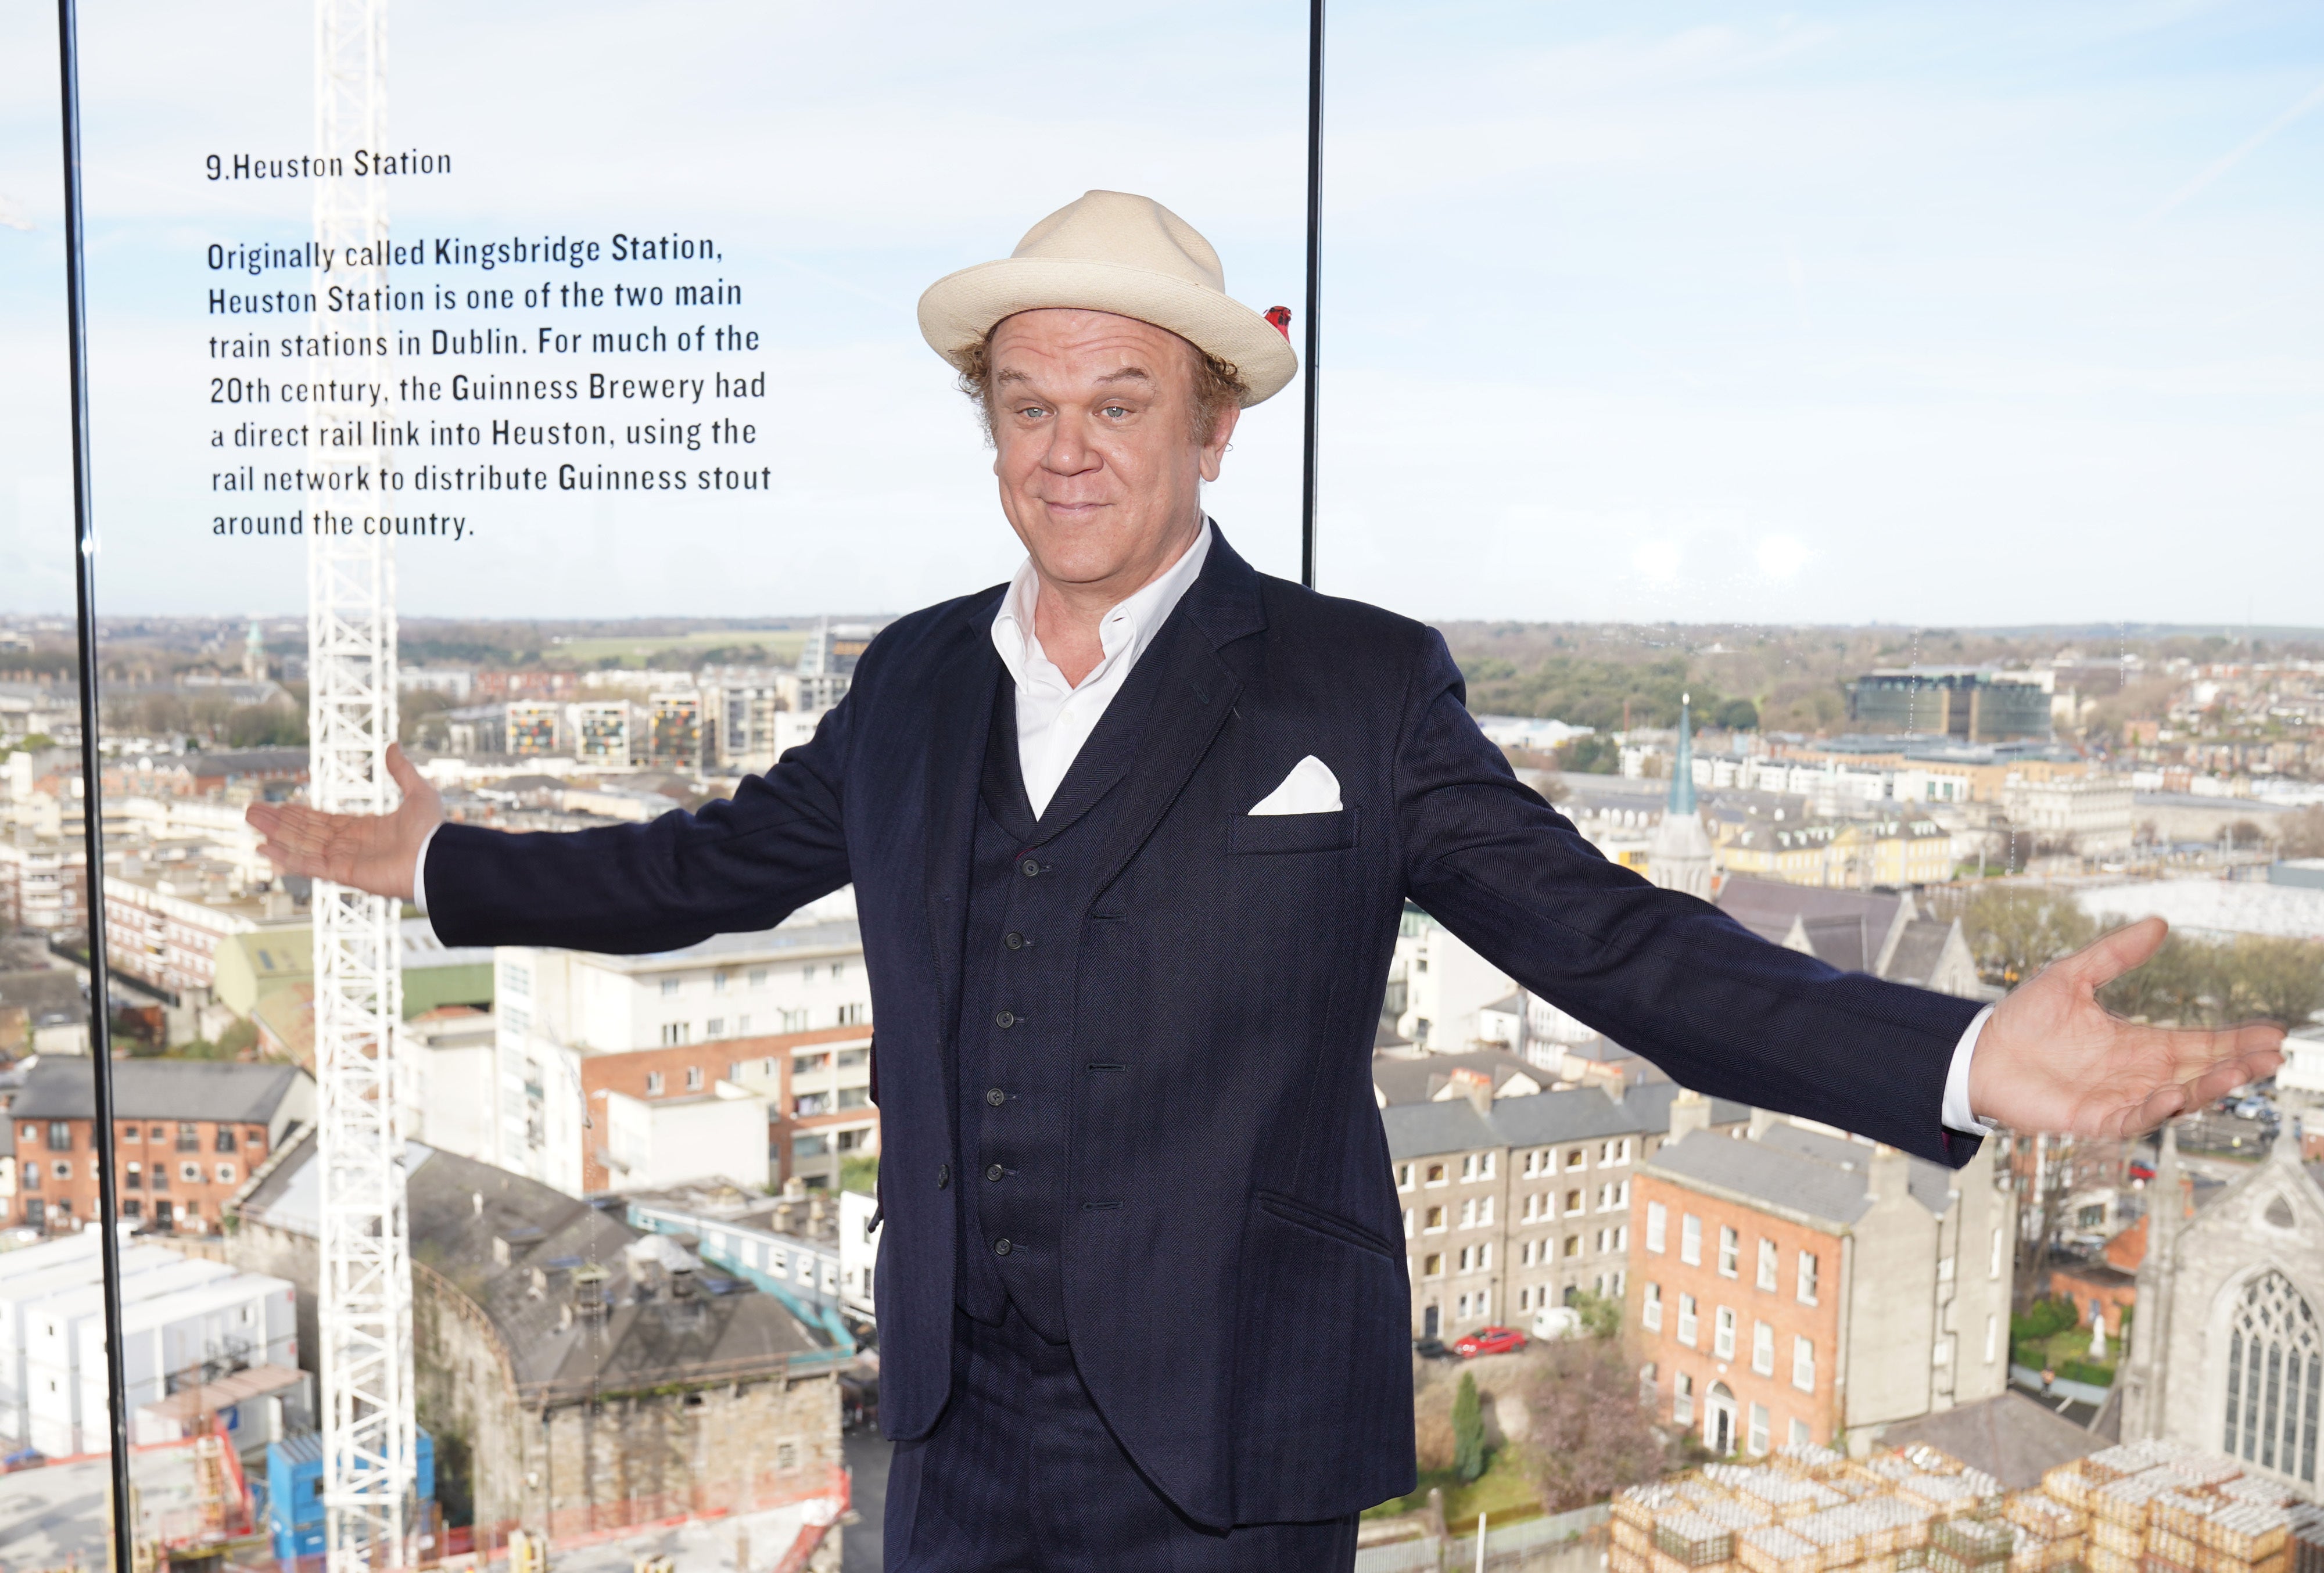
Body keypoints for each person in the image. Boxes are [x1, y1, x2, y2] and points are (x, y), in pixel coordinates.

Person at [249, 191, 2283, 1572]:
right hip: (946, 1438)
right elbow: (693, 866)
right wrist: (436, 861)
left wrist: (1957, 1059)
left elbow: (1615, 943)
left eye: (1120, 403)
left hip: (1228, 1444)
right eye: (1027, 405)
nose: (1069, 449)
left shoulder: (1357, 684)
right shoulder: (909, 684)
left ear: (1213, 426)